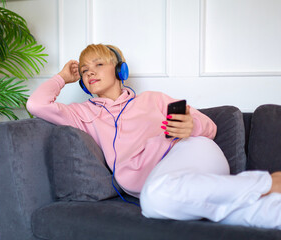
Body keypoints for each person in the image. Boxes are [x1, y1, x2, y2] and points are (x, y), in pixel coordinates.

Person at [26, 43, 281, 229]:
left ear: (120, 71)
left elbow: (209, 128)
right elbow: (36, 105)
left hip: (192, 152)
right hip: (169, 186)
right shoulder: (82, 114)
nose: (90, 72)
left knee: (155, 199)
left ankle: (268, 183)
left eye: (99, 64)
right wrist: (62, 77)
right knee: (174, 202)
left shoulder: (153, 99)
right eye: (83, 70)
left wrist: (190, 127)